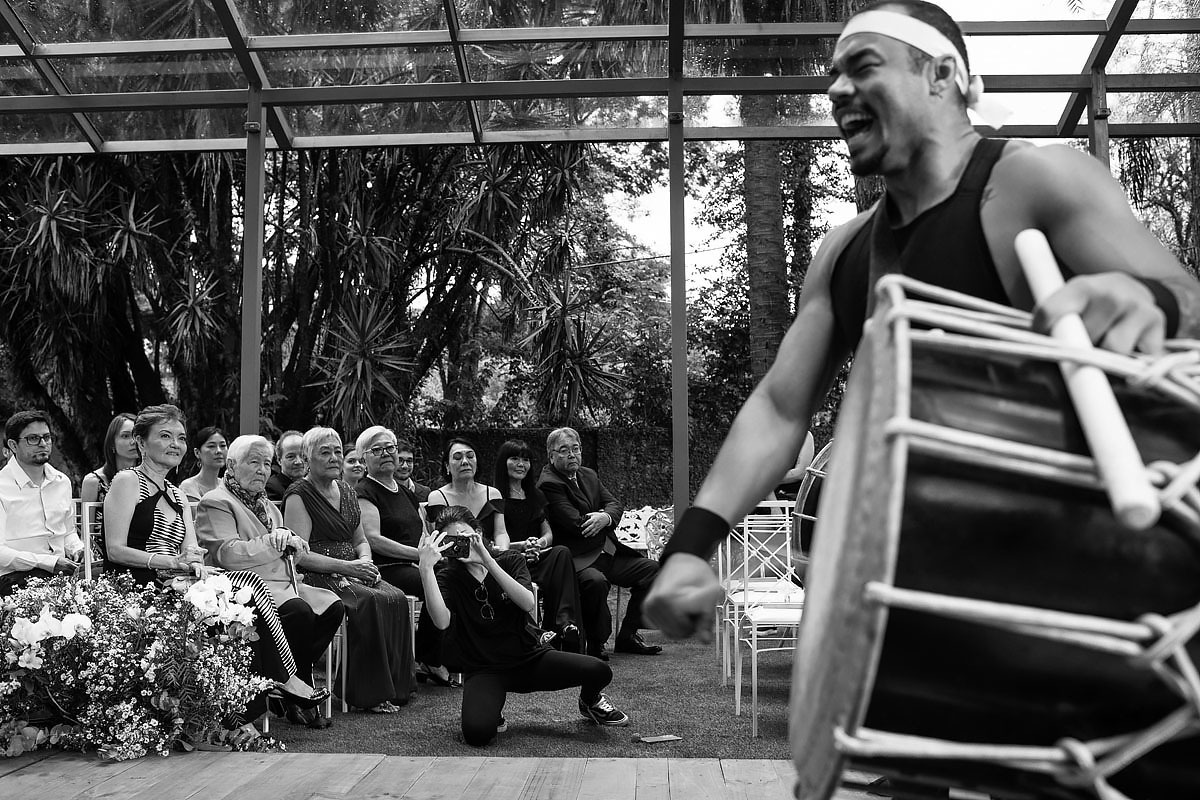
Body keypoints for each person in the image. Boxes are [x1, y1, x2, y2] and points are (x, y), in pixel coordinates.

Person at [644, 0, 1200, 642]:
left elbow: (1182, 296)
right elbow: (779, 407)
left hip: (1074, 584)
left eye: (863, 66)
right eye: (833, 75)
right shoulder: (845, 252)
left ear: (942, 76)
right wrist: (691, 546)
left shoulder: (1033, 180)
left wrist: (1146, 302)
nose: (837, 88)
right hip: (914, 589)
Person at [104, 406, 328, 737]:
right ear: (140, 441)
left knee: (247, 592)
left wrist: (192, 562)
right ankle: (263, 696)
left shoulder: (178, 493)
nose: (175, 444)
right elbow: (115, 550)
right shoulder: (127, 481)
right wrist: (171, 564)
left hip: (179, 580)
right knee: (244, 599)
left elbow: (191, 549)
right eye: (164, 436)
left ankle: (262, 694)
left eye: (179, 437)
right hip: (141, 582)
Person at [418, 506, 629, 746]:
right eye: (451, 540)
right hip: (485, 669)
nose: (460, 544)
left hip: (530, 658)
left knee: (599, 670)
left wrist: (486, 560)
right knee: (477, 733)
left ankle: (590, 702)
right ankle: (491, 708)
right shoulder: (448, 577)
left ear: (478, 533)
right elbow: (441, 621)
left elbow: (527, 603)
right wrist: (426, 570)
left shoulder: (510, 560)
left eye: (465, 536)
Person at [194, 434, 346, 729]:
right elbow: (227, 554)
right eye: (254, 462)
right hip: (245, 587)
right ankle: (291, 687)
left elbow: (290, 551)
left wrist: (296, 544)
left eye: (267, 463)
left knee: (333, 608)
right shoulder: (215, 501)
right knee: (299, 612)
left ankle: (291, 682)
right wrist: (273, 542)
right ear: (233, 465)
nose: (263, 470)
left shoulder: (268, 506)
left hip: (285, 582)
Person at [283, 427, 416, 715]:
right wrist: (349, 567)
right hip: (319, 574)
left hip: (354, 569)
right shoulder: (298, 495)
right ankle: (364, 694)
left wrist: (366, 562)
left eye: (337, 452)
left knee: (394, 596)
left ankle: (396, 687)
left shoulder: (346, 489)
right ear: (307, 458)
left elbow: (360, 540)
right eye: (325, 452)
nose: (333, 458)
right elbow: (300, 555)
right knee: (370, 601)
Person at [537, 427, 661, 660]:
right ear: (551, 456)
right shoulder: (549, 483)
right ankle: (595, 643)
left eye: (576, 449)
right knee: (595, 582)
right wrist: (599, 516)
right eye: (564, 450)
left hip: (608, 552)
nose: (572, 455)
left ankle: (628, 635)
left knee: (653, 571)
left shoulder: (589, 475)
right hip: (579, 560)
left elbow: (614, 503)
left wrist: (605, 517)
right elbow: (575, 523)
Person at [355, 425, 456, 687]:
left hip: (417, 563)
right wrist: (420, 556)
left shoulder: (405, 492)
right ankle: (428, 657)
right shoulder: (365, 490)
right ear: (364, 458)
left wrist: (431, 552)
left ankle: (449, 654)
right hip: (386, 567)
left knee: (457, 575)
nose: (387, 453)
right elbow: (373, 539)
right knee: (441, 582)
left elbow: (423, 531)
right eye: (377, 450)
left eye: (391, 447)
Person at [494, 438, 583, 653]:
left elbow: (548, 533)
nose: (521, 464)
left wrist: (539, 543)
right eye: (514, 459)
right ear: (502, 462)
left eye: (525, 460)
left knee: (561, 553)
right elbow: (493, 540)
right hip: (508, 563)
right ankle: (544, 632)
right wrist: (522, 546)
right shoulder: (494, 495)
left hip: (536, 557)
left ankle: (563, 623)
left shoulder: (536, 495)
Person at [0, 410, 83, 596]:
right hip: (14, 579)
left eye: (46, 437)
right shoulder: (2, 487)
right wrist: (48, 562)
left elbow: (68, 531)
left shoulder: (61, 481)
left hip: (62, 576)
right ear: (13, 445)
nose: (43, 444)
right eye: (33, 439)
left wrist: (77, 549)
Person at [424, 438, 507, 547]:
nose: (465, 462)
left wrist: (501, 551)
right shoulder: (437, 497)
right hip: (454, 559)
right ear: (447, 466)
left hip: (491, 556)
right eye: (457, 457)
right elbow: (439, 539)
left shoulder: (493, 494)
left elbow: (501, 533)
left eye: (470, 456)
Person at [80, 412, 139, 563]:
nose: (133, 442)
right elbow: (87, 535)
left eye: (136, 435)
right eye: (125, 436)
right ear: (112, 443)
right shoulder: (94, 481)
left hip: (145, 556)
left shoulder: (150, 480)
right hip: (105, 561)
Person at [179, 426, 228, 502]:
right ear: (197, 452)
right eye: (211, 446)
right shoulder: (189, 487)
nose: (219, 451)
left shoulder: (226, 485)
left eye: (222, 446)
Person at [266, 430, 305, 502]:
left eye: (302, 455)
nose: (298, 462)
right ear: (279, 460)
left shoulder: (315, 485)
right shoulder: (272, 488)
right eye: (291, 457)